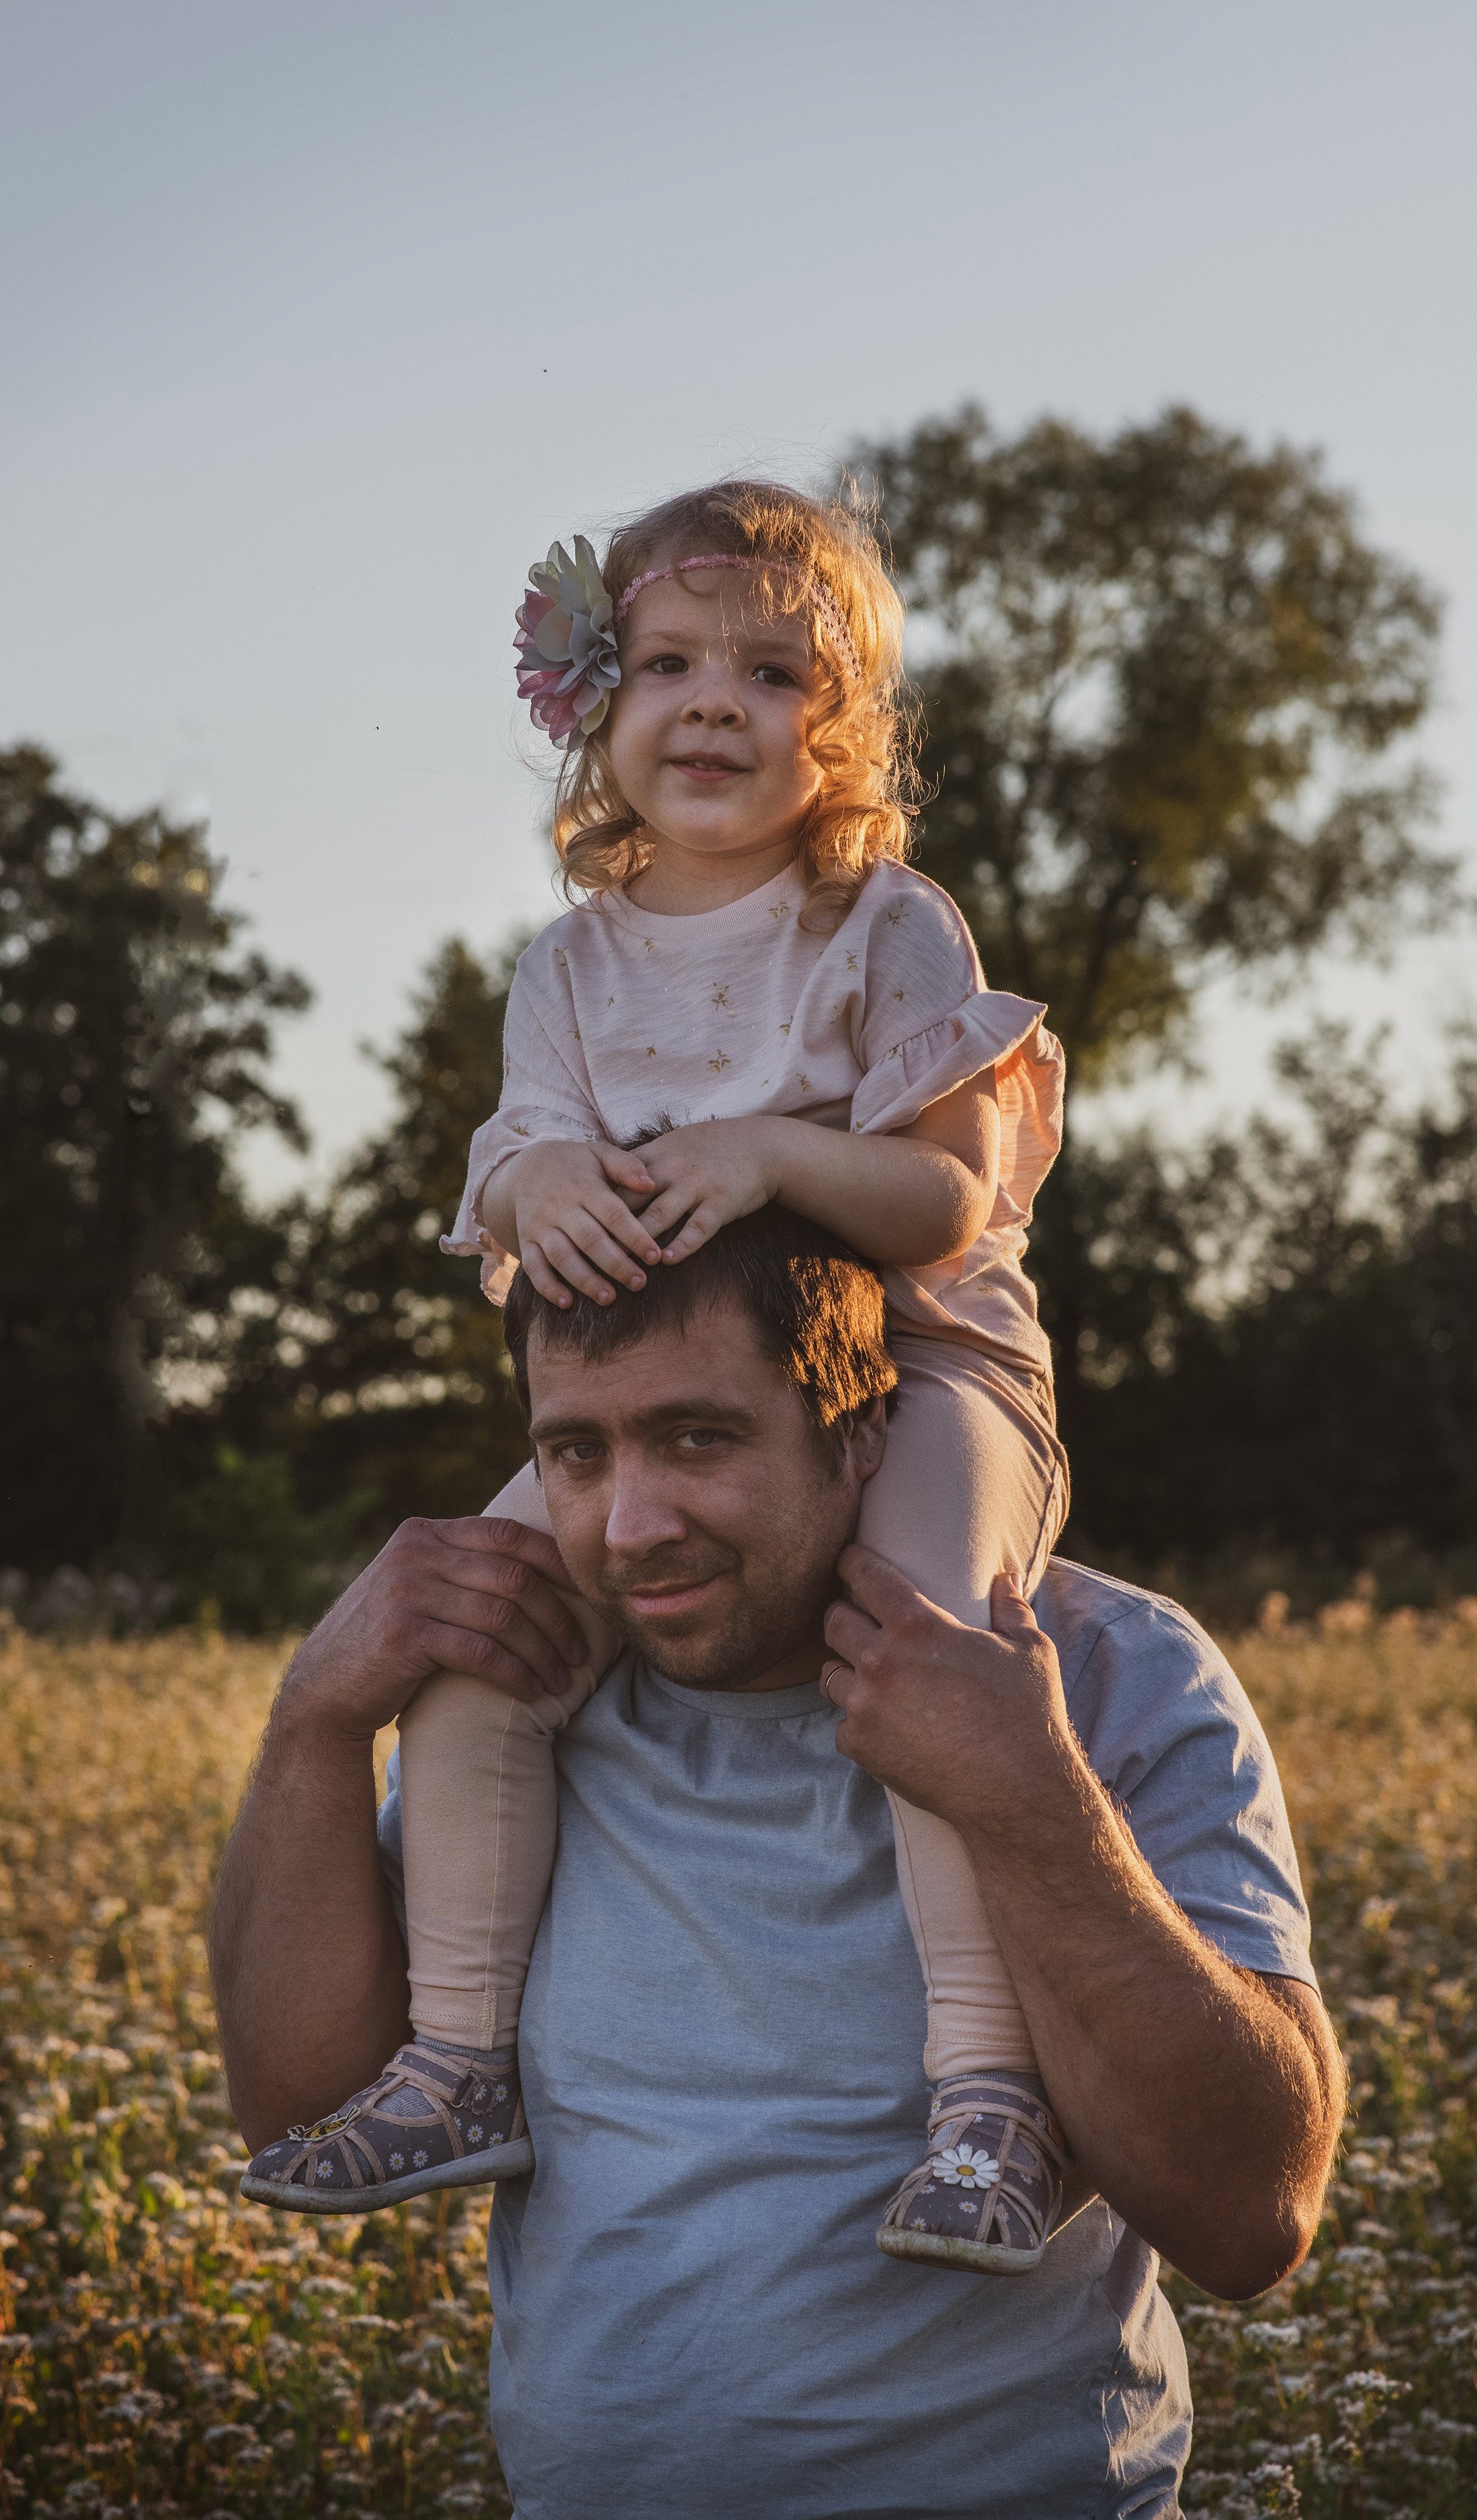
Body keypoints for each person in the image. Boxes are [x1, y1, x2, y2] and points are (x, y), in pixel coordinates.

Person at [242, 480, 1081, 2272]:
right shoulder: (568, 966)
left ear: (836, 730)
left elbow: (945, 1191)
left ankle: (990, 2101)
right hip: (682, 1423)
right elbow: (524, 1168)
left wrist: (774, 1155)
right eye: (670, 662)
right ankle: (461, 2057)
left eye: (773, 671)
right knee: (476, 1649)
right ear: (595, 709)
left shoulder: (882, 924)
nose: (715, 702)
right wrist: (532, 1177)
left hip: (927, 1372)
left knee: (930, 1646)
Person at [209, 1208, 1343, 2520]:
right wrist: (317, 1716)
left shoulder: (1106, 1671)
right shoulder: (513, 1706)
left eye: (699, 1437)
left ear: (863, 1431)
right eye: (576, 1451)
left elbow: (1249, 2219)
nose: (630, 1525)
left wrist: (1026, 1794)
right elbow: (294, 2105)